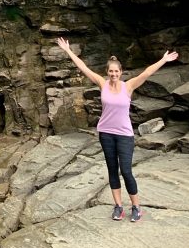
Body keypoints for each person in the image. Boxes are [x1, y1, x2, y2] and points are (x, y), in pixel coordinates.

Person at [56, 37, 179, 222]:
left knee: (126, 171)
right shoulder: (102, 83)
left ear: (121, 72)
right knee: (112, 170)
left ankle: (136, 207)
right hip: (105, 133)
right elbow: (84, 68)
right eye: (111, 71)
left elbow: (146, 73)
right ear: (107, 72)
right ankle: (118, 207)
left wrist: (163, 60)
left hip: (124, 135)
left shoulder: (128, 86)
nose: (113, 74)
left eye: (116, 71)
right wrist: (68, 51)